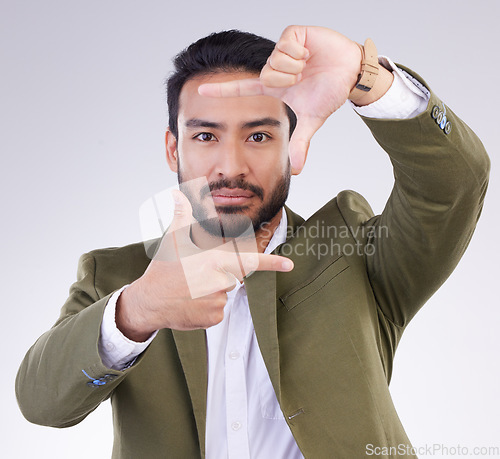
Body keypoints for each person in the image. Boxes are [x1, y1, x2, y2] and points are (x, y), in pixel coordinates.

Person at [16, 25, 490, 458]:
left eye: (259, 135)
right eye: (205, 135)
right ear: (172, 149)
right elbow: (41, 403)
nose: (231, 166)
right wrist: (139, 309)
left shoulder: (355, 256)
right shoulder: (116, 277)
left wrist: (367, 79)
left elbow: (454, 186)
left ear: (292, 143)